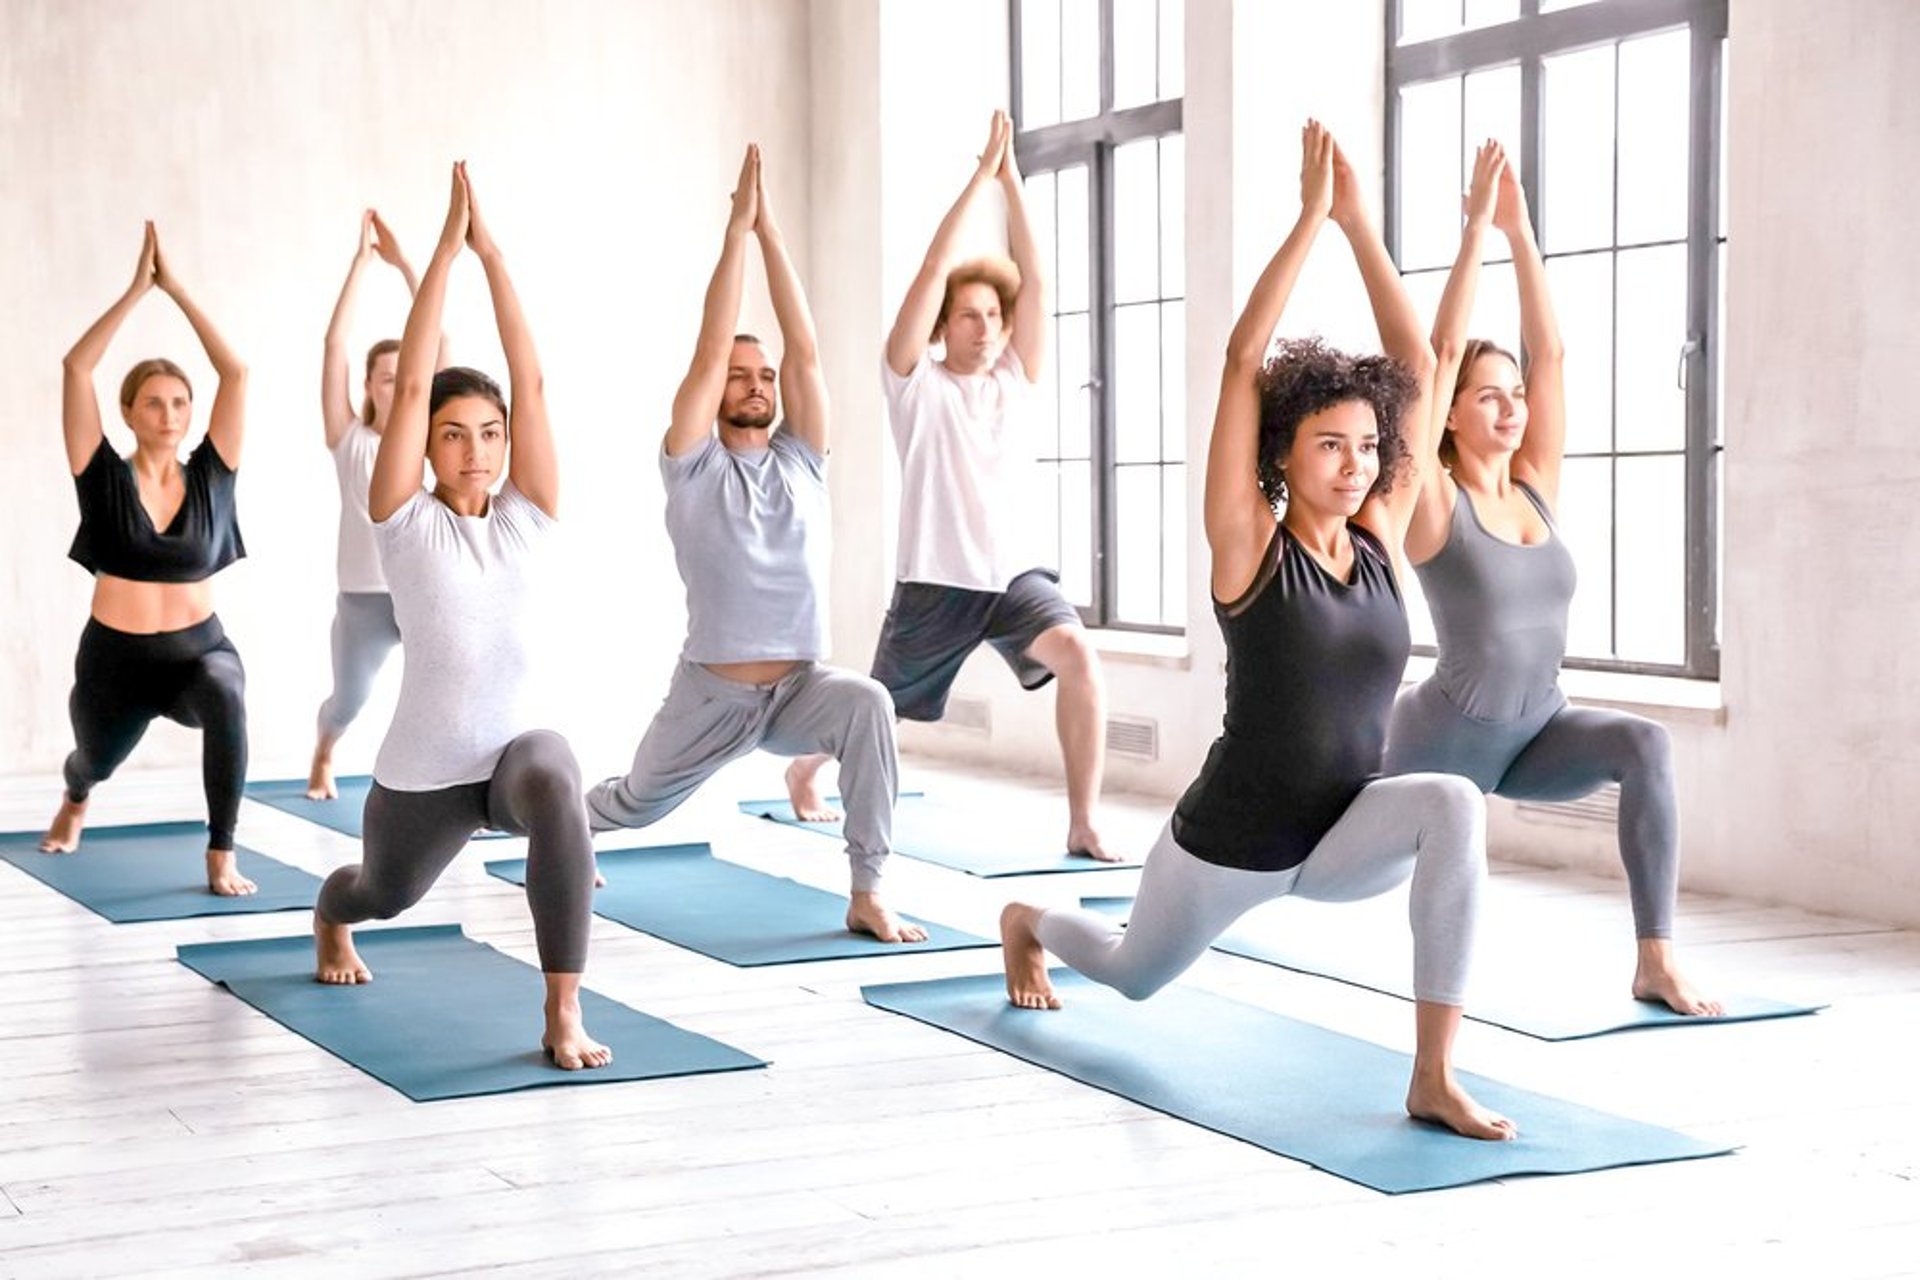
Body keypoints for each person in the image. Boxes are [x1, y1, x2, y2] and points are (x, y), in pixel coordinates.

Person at [1001, 122, 1515, 1140]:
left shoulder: (1374, 538)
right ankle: (1031, 924)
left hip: (1339, 835)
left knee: (1453, 801)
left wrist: (1362, 226)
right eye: (1330, 445)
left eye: (1368, 447)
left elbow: (1419, 361)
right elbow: (1244, 358)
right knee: (1130, 973)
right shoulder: (1248, 546)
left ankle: (1432, 1073)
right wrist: (1309, 220)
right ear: (1285, 453)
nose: (1358, 464)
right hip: (1230, 842)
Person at [1386, 141, 1719, 1016]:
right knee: (1301, 866)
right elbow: (1436, 351)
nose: (1510, 404)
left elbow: (1555, 354)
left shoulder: (1535, 485)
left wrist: (1521, 233)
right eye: (1488, 394)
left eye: (1513, 395)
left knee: (1646, 744)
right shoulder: (1432, 501)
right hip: (1434, 746)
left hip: (1534, 735)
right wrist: (1471, 238)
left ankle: (1655, 958)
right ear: (1450, 414)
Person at [585, 146, 925, 945]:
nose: (757, 383)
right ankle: (562, 825)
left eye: (763, 375)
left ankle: (868, 887)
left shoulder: (804, 461)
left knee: (871, 704)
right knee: (631, 805)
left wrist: (773, 231)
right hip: (714, 696)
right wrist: (735, 236)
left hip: (798, 690)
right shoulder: (693, 466)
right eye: (741, 376)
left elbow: (806, 352)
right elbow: (707, 352)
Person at [311, 163, 609, 1070]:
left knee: (559, 781)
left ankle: (562, 1012)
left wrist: (496, 256)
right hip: (426, 770)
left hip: (512, 753)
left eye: (489, 433)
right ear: (426, 445)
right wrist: (442, 253)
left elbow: (535, 381)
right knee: (381, 893)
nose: (475, 450)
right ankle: (328, 918)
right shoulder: (402, 521)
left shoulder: (529, 513)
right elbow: (407, 389)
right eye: (453, 434)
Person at [787, 109, 1116, 863]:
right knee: (880, 707)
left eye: (993, 316)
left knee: (1080, 656)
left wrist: (1012, 183)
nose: (984, 328)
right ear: (944, 326)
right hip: (937, 581)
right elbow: (930, 273)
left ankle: (1084, 821)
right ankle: (806, 766)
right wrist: (975, 183)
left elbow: (1041, 281)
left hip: (1012, 578)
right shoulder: (915, 384)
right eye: (967, 317)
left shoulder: (1016, 379)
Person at [42, 221, 255, 897]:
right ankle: (76, 796)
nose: (170, 413)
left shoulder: (215, 472)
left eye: (180, 402)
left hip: (198, 653)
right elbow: (77, 368)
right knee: (95, 760)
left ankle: (221, 852)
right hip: (115, 662)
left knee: (227, 695)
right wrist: (138, 291)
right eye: (154, 403)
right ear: (128, 413)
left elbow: (236, 371)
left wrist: (180, 291)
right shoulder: (100, 474)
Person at [306, 209, 443, 801]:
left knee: (450, 685)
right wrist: (362, 265)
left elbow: (434, 342)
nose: (394, 385)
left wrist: (410, 266)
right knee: (349, 699)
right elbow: (335, 344)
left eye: (401, 376)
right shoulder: (349, 440)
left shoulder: (426, 434)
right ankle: (324, 752)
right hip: (363, 595)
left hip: (422, 586)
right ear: (368, 387)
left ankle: (449, 783)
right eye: (383, 377)